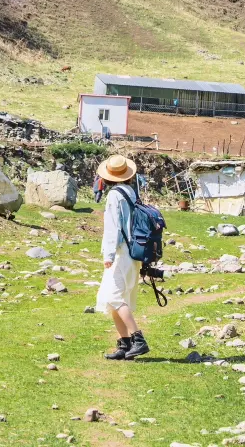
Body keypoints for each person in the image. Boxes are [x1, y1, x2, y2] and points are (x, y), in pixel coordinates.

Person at [95, 154, 150, 361]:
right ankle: (124, 344)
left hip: (120, 252)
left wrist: (108, 254)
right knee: (119, 297)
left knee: (114, 297)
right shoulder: (131, 192)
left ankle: (138, 339)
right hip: (134, 252)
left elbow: (113, 227)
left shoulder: (114, 195)